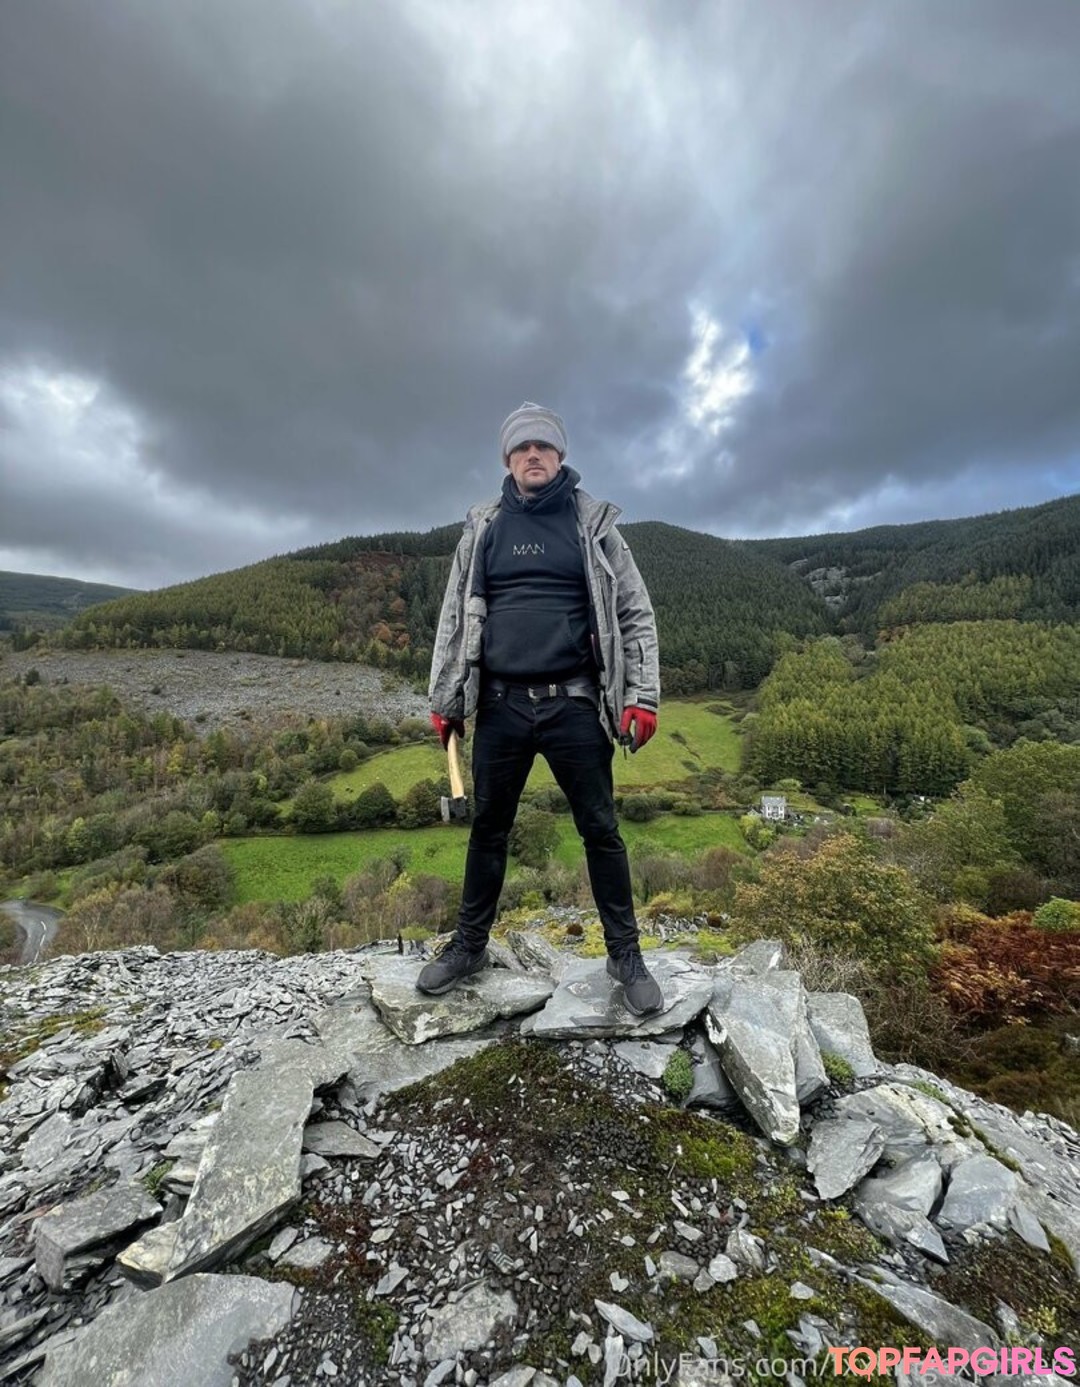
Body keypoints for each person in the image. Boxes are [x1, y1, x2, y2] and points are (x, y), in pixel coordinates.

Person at [419, 401, 664, 1015]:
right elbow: (454, 619)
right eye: (522, 447)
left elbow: (635, 613)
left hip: (574, 703)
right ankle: (470, 946)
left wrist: (642, 697)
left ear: (560, 456)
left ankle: (625, 954)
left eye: (544, 446)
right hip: (501, 704)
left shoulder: (594, 526)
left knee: (600, 830)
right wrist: (447, 699)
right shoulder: (484, 529)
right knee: (488, 828)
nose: (534, 455)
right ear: (508, 459)